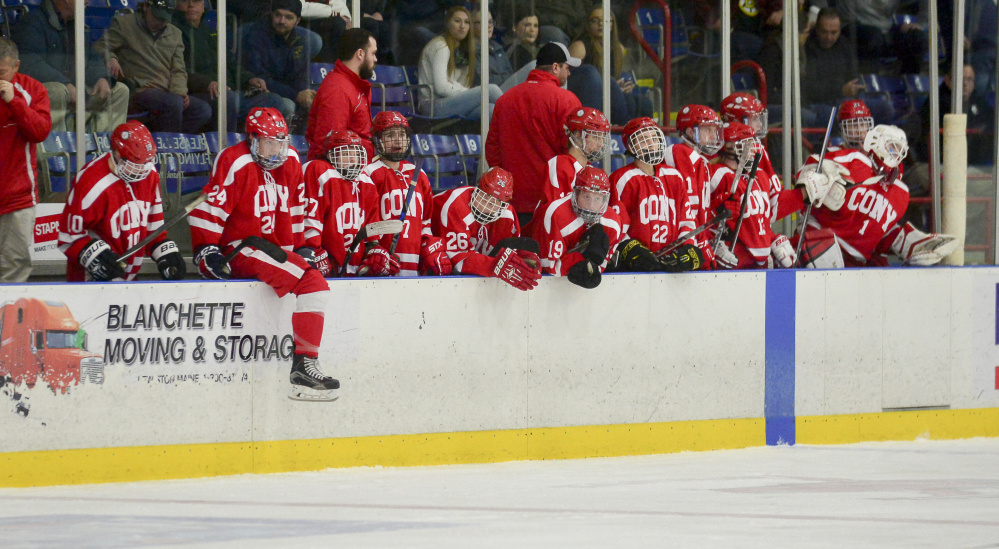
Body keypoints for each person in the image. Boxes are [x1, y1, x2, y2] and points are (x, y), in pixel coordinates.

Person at [189, 107, 338, 402]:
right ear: (253, 139)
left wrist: (301, 245)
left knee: (316, 283)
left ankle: (304, 366)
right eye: (270, 142)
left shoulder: (292, 160)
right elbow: (209, 210)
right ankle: (304, 365)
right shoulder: (235, 161)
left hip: (273, 251)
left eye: (282, 142)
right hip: (241, 248)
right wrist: (206, 249)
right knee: (315, 285)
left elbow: (296, 208)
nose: (277, 150)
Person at [795, 125, 959, 267]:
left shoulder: (901, 193)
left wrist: (910, 243)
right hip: (816, 242)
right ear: (876, 141)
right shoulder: (855, 160)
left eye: (900, 151)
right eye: (892, 147)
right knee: (824, 256)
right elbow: (806, 170)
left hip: (856, 261)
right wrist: (822, 172)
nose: (896, 155)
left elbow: (878, 232)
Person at [57, 121, 185, 282]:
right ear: (117, 155)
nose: (143, 169)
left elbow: (154, 229)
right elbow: (68, 236)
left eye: (147, 162)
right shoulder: (91, 182)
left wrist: (166, 254)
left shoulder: (149, 174)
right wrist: (96, 257)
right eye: (136, 163)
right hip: (90, 283)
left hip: (129, 281)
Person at [486, 41, 582, 224]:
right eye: (567, 68)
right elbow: (574, 154)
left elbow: (493, 150)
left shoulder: (505, 99)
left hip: (512, 201)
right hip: (551, 201)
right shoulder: (566, 100)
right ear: (555, 67)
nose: (569, 74)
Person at [356, 111, 451, 277]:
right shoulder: (368, 174)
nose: (397, 140)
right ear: (377, 140)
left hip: (413, 267)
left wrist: (430, 248)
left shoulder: (418, 174)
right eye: (390, 135)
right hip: (381, 266)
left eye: (401, 134)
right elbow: (362, 222)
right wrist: (372, 252)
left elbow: (425, 222)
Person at [94, 0, 211, 133]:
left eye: (164, 18)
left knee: (202, 110)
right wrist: (111, 58)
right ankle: (168, 148)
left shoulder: (175, 34)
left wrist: (179, 92)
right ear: (145, 7)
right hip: (139, 89)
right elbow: (100, 46)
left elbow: (178, 69)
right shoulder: (125, 24)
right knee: (173, 103)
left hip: (166, 92)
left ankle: (162, 140)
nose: (160, 22)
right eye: (157, 16)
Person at [13, 0, 129, 133]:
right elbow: (30, 64)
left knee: (120, 90)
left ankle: (99, 148)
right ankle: (54, 149)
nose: (87, 2)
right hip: (47, 91)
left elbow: (91, 58)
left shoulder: (77, 25)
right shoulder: (32, 22)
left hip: (74, 91)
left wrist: (101, 77)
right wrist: (66, 84)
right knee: (58, 91)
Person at [608, 117, 703, 273]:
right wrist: (631, 249)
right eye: (644, 139)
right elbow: (615, 226)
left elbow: (686, 220)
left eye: (653, 138)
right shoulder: (622, 179)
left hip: (670, 264)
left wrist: (688, 247)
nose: (651, 144)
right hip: (635, 269)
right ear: (631, 146)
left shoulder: (674, 176)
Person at [430, 168, 542, 291]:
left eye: (496, 202)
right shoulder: (456, 206)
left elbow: (512, 254)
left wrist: (527, 259)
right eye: (485, 197)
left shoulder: (507, 215)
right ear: (477, 189)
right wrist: (494, 266)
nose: (487, 206)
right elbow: (457, 261)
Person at [708, 122, 795, 269]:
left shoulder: (759, 177)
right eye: (747, 143)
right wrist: (712, 242)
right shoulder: (717, 175)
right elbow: (699, 214)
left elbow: (758, 221)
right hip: (731, 256)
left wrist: (772, 239)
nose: (754, 149)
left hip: (755, 261)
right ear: (730, 147)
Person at [0, 38, 52, 283]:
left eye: (1, 72)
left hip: (17, 198)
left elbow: (40, 132)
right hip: (15, 196)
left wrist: (14, 102)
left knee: (14, 268)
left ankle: (8, 321)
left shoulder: (32, 90)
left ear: (16, 66)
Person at [529, 166, 624, 289]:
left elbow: (599, 267)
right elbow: (549, 265)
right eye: (586, 197)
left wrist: (592, 266)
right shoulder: (557, 214)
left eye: (597, 198)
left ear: (605, 200)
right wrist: (582, 258)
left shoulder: (613, 223)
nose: (591, 205)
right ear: (576, 193)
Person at [802, 9, 893, 127]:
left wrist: (854, 90)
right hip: (820, 104)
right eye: (824, 32)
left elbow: (853, 76)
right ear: (817, 29)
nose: (829, 37)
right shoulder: (807, 47)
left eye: (833, 32)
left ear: (839, 30)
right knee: (832, 115)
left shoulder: (844, 45)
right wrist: (840, 89)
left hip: (845, 101)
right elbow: (808, 89)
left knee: (886, 108)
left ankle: (872, 142)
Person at [302, 129, 374, 276]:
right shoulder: (318, 170)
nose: (353, 159)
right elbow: (308, 218)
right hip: (324, 258)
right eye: (346, 154)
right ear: (330, 154)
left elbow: (371, 229)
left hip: (353, 265)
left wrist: (374, 250)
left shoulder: (365, 181)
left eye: (355, 153)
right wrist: (315, 250)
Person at [566, 6, 651, 125]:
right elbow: (566, 78)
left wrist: (622, 85)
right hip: (584, 98)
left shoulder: (619, 49)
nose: (601, 24)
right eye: (595, 20)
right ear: (588, 24)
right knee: (608, 81)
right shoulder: (579, 46)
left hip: (609, 95)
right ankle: (626, 127)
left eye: (606, 20)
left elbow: (614, 78)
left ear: (612, 24)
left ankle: (641, 133)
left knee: (641, 101)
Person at [663, 104, 724, 267]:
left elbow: (701, 211)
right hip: (680, 241)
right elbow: (688, 209)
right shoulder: (679, 153)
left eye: (714, 130)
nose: (713, 135)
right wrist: (698, 243)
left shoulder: (701, 161)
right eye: (707, 130)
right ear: (691, 132)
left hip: (696, 237)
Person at [240, 0, 319, 123]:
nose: (282, 21)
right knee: (288, 105)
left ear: (298, 21)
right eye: (278, 15)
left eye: (288, 17)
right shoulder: (256, 36)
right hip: (261, 92)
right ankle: (279, 140)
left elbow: (302, 74)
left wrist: (305, 93)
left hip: (288, 90)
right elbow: (261, 78)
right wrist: (296, 95)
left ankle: (305, 142)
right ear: (271, 14)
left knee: (315, 102)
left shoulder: (299, 41)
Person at [417, 7, 502, 119]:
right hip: (433, 106)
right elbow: (441, 88)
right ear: (448, 24)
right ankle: (522, 116)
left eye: (466, 22)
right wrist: (466, 92)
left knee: (492, 110)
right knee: (491, 90)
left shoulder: (463, 50)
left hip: (453, 102)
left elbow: (460, 84)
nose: (462, 26)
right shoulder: (440, 46)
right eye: (457, 21)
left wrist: (458, 88)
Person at [306, 28, 376, 162]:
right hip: (340, 175)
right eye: (373, 53)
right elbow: (329, 147)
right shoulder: (337, 90)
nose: (375, 59)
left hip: (355, 169)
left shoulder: (354, 85)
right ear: (360, 54)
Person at [919, 62, 995, 165]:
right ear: (947, 80)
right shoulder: (936, 102)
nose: (965, 83)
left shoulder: (976, 98)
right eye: (960, 78)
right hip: (941, 164)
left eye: (969, 79)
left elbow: (991, 119)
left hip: (972, 163)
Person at [538, 106, 609, 207]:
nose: (601, 144)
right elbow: (556, 211)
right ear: (577, 134)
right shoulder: (560, 165)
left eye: (602, 138)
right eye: (596, 137)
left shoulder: (590, 170)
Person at [471, 9, 514, 89]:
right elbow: (482, 81)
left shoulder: (498, 48)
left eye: (490, 22)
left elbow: (512, 76)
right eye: (483, 21)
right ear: (471, 25)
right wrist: (504, 78)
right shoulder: (470, 50)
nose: (489, 26)